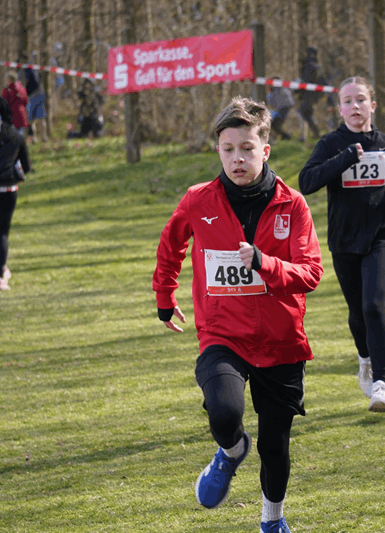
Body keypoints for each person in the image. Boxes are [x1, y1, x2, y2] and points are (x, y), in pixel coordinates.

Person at [152, 96, 323, 533]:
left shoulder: (293, 205)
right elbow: (171, 246)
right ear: (218, 151)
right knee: (225, 414)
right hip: (222, 334)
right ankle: (229, 452)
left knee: (276, 446)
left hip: (281, 339)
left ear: (265, 149)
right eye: (228, 149)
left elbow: (311, 273)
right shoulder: (198, 201)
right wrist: (164, 298)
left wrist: (264, 263)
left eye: (247, 148)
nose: (238, 158)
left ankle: (272, 520)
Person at [299, 77, 385, 412]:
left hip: (382, 235)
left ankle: (381, 384)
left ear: (372, 106)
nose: (355, 107)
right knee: (356, 311)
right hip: (345, 238)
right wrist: (344, 158)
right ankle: (364, 359)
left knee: (373, 305)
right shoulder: (332, 143)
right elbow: (307, 182)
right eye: (347, 101)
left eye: (361, 100)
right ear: (340, 108)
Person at [0, 95, 31, 291]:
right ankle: (0, 275)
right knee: (1, 233)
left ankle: (0, 270)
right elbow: (26, 165)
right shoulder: (16, 136)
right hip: (7, 189)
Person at [296, 47, 323, 142]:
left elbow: (306, 80)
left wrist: (298, 88)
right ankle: (312, 134)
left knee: (303, 113)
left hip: (309, 93)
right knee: (306, 114)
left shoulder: (310, 65)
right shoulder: (316, 65)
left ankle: (308, 135)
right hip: (312, 94)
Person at [21, 55, 48, 143]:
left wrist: (27, 95)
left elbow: (26, 82)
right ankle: (44, 137)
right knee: (41, 118)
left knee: (31, 120)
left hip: (33, 95)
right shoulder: (33, 66)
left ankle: (34, 138)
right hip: (40, 92)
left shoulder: (24, 69)